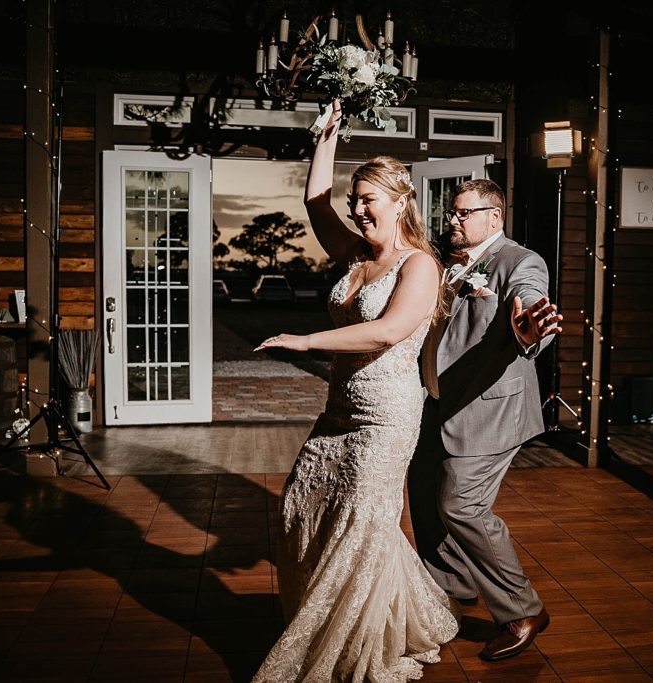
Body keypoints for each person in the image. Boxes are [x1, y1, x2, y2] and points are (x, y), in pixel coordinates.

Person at [250, 100, 458, 682]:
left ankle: (349, 639)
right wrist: (328, 135)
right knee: (303, 504)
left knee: (362, 524)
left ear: (400, 202)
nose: (357, 208)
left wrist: (304, 340)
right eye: (355, 199)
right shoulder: (355, 255)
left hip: (387, 416)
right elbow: (315, 201)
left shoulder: (420, 265)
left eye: (369, 199)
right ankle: (356, 612)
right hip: (340, 410)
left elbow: (391, 330)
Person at [409, 178, 562, 661]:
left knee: (461, 506)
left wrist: (529, 328)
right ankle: (453, 587)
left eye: (462, 213)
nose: (452, 220)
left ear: (493, 218)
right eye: (451, 213)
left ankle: (522, 610)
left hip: (488, 408)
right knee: (423, 495)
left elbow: (529, 300)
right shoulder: (451, 263)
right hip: (437, 404)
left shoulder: (520, 261)